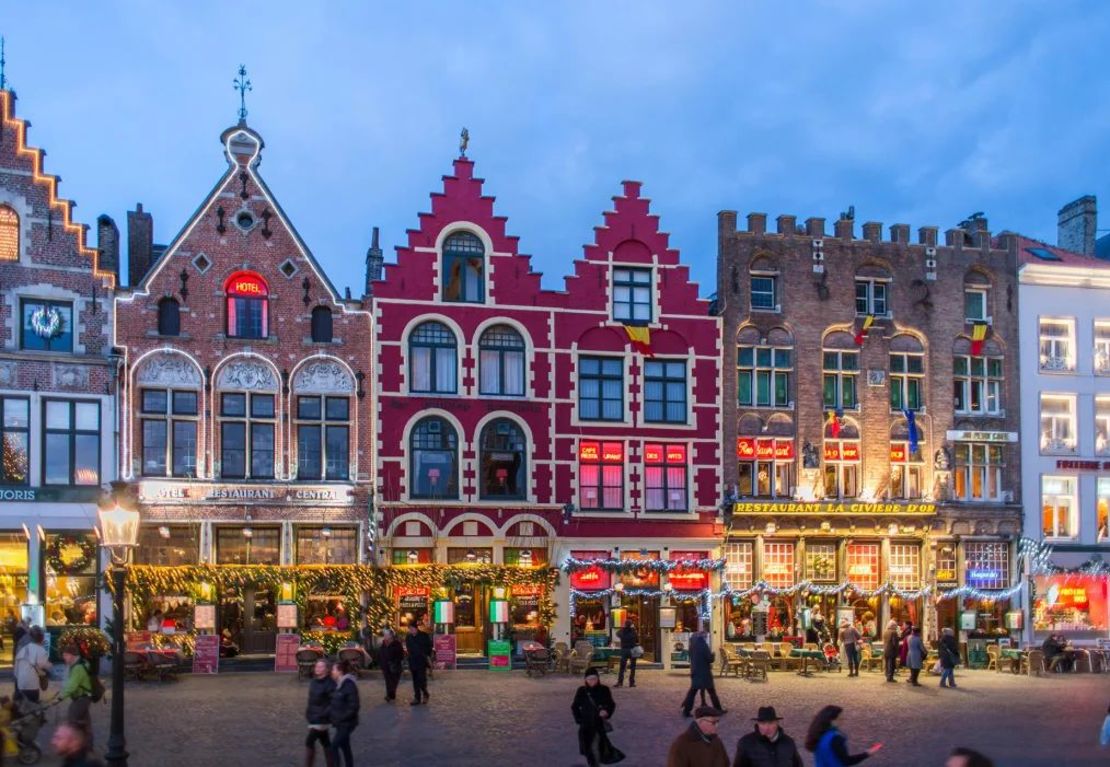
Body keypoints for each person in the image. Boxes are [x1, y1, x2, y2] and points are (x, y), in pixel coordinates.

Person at [571, 667, 621, 767]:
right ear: (585, 680)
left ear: (598, 678)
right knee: (588, 750)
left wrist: (606, 712)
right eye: (589, 679)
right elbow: (574, 706)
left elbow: (611, 704)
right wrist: (579, 719)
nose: (592, 681)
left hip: (598, 725)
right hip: (585, 726)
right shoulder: (582, 691)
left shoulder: (604, 690)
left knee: (596, 747)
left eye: (594, 679)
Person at [804, 705, 880, 767]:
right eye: (840, 718)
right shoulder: (835, 738)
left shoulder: (818, 734)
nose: (843, 720)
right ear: (832, 720)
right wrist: (867, 753)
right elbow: (846, 761)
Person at [733, 705, 803, 767]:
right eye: (763, 723)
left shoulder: (788, 742)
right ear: (758, 724)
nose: (767, 727)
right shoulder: (746, 743)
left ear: (777, 723)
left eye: (770, 723)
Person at [682, 629, 723, 716]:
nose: (706, 637)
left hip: (695, 671)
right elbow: (709, 659)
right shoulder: (703, 645)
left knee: (693, 692)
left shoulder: (692, 645)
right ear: (703, 636)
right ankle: (718, 709)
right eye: (706, 636)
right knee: (712, 692)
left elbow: (691, 657)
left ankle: (686, 710)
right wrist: (713, 655)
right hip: (704, 673)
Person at [58, 645, 93, 744]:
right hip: (85, 697)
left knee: (72, 719)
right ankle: (88, 745)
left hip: (81, 698)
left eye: (66, 655)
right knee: (85, 722)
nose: (64, 657)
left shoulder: (78, 668)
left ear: (72, 655)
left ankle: (74, 745)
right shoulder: (81, 664)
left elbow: (72, 685)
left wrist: (60, 697)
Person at [328, 659, 359, 767]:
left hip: (346, 723)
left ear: (340, 671)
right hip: (341, 723)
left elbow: (354, 706)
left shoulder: (348, 685)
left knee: (334, 747)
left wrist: (341, 718)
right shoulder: (338, 684)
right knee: (345, 747)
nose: (331, 672)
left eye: (333, 670)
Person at [304, 659, 335, 767]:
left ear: (326, 669)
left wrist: (324, 715)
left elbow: (333, 702)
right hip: (313, 718)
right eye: (317, 666)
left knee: (309, 741)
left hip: (321, 719)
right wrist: (309, 714)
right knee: (325, 742)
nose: (318, 668)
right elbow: (311, 700)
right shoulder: (314, 681)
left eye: (321, 667)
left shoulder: (330, 683)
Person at [14, 626, 51, 703]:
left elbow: (16, 670)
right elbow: (44, 666)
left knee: (22, 707)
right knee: (32, 706)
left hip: (21, 684)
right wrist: (49, 666)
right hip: (32, 684)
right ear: (42, 638)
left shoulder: (23, 649)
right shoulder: (40, 650)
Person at [405, 623, 432, 705]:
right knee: (415, 680)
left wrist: (425, 655)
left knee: (421, 679)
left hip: (421, 661)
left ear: (416, 628)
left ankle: (425, 694)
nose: (411, 630)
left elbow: (429, 646)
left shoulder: (424, 635)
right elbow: (408, 648)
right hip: (413, 661)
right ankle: (417, 697)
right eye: (410, 629)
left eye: (412, 628)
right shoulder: (408, 637)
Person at [378, 628, 403, 702]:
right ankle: (390, 695)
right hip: (385, 665)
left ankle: (391, 694)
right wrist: (381, 663)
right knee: (388, 681)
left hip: (394, 666)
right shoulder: (383, 644)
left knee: (394, 681)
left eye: (387, 635)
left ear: (391, 636)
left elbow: (400, 655)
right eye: (385, 635)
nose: (385, 636)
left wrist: (395, 662)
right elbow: (381, 654)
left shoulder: (397, 644)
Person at [616, 619, 639, 688]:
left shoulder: (622, 631)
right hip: (633, 649)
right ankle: (631, 683)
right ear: (631, 624)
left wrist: (623, 628)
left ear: (625, 624)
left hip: (625, 650)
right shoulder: (634, 631)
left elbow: (617, 633)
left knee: (622, 667)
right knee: (633, 667)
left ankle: (620, 682)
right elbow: (637, 639)